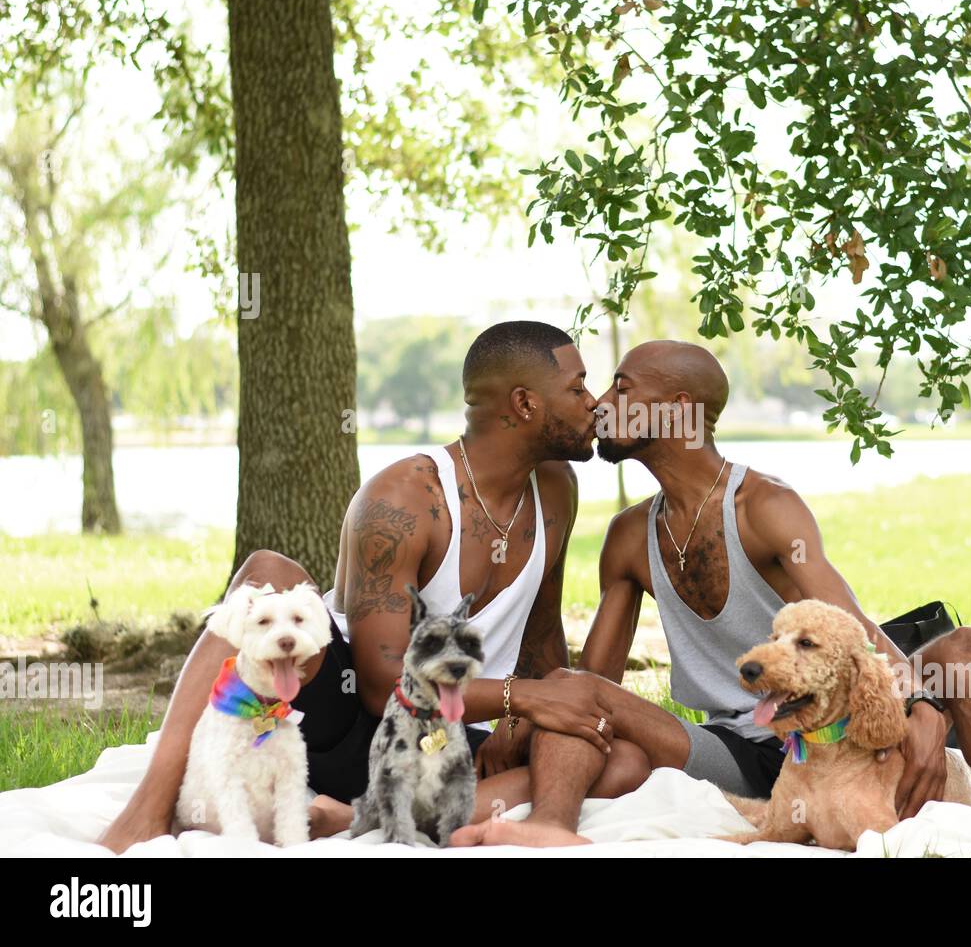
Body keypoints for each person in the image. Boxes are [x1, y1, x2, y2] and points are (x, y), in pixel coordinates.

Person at [450, 340, 971, 850]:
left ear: (675, 410)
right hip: (740, 750)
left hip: (827, 726)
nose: (600, 403)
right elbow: (593, 681)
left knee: (963, 646)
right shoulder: (629, 538)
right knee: (578, 697)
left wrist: (921, 703)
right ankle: (535, 830)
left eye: (622, 386)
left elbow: (848, 623)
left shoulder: (764, 506)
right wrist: (526, 712)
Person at [98, 321, 649, 852]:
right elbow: (381, 684)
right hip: (346, 718)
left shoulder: (555, 488)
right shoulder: (404, 498)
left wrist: (525, 719)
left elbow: (541, 633)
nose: (594, 402)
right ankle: (148, 806)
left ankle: (364, 815)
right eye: (578, 387)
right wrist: (523, 698)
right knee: (271, 570)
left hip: (446, 736)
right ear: (526, 404)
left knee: (620, 759)